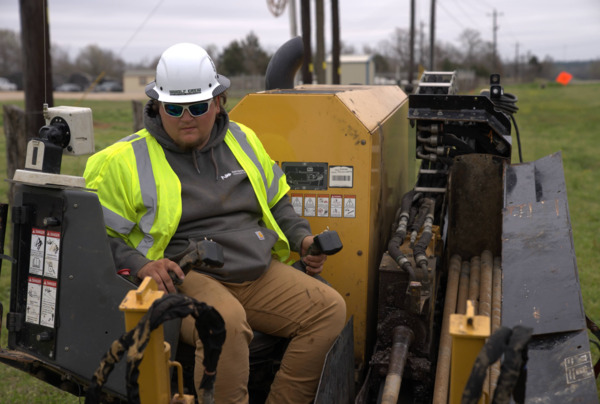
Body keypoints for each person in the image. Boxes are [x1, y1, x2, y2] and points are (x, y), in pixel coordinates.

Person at [83, 42, 346, 404]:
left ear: (218, 101)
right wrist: (141, 264)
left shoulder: (244, 140)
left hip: (253, 267)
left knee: (328, 309)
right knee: (223, 324)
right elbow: (97, 236)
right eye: (174, 108)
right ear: (158, 106)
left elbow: (276, 201)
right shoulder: (120, 162)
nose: (185, 116)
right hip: (188, 273)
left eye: (198, 106)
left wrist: (301, 239)